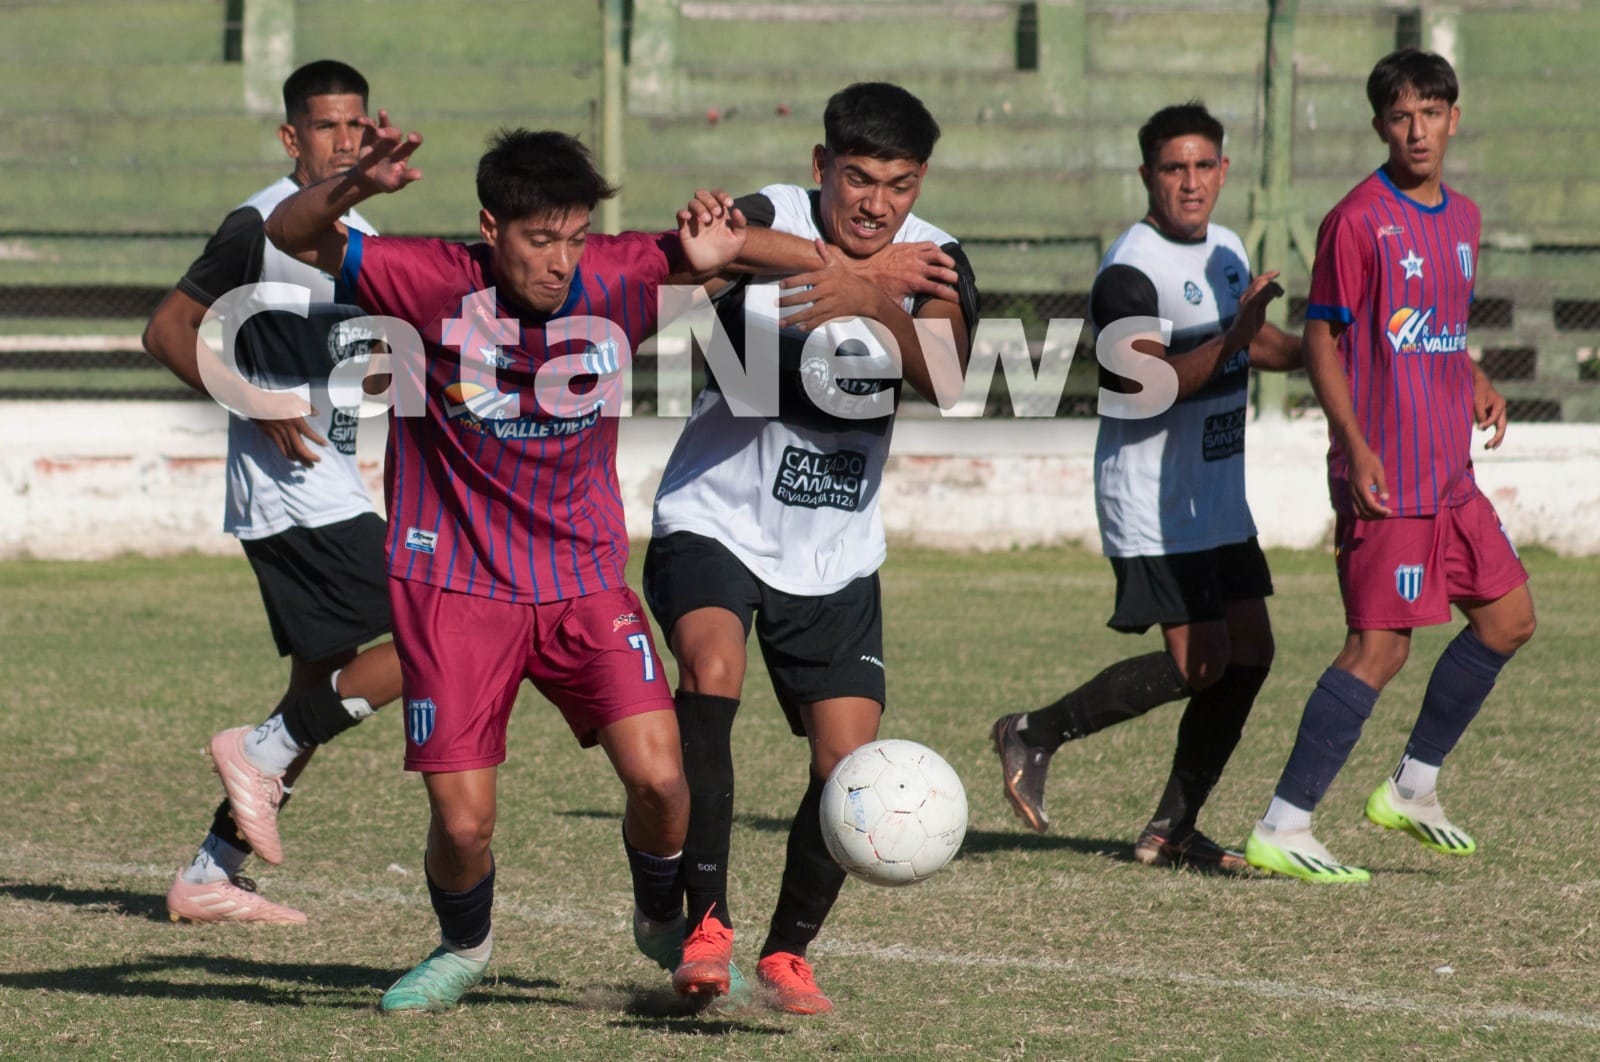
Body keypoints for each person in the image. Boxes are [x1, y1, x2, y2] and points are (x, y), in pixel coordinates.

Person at [264, 123, 750, 1010]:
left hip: (583, 580)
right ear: (491, 228)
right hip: (453, 585)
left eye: (573, 237)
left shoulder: (617, 272)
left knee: (663, 779)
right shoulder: (422, 279)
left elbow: (736, 248)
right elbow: (290, 234)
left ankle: (654, 913)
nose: (561, 261)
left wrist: (742, 244)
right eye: (539, 240)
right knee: (464, 820)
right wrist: (351, 189)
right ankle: (463, 944)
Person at [643, 81, 978, 1015]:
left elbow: (945, 377)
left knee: (847, 762)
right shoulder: (773, 210)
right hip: (712, 516)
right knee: (712, 669)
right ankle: (704, 927)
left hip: (835, 551)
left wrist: (870, 297)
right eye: (860, 178)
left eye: (901, 185)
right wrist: (853, 273)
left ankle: (788, 952)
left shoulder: (939, 257)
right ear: (821, 166)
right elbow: (715, 242)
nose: (878, 203)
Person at [1244, 49, 1533, 883]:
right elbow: (1324, 338)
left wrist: (1473, 375)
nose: (1417, 130)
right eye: (1401, 116)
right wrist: (1354, 441)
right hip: (1389, 474)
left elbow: (1435, 325)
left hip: (1450, 475)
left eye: (1431, 113)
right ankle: (1285, 823)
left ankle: (1413, 786)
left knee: (1508, 620)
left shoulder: (1465, 217)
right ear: (1380, 125)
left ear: (1454, 118)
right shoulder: (1357, 220)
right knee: (1379, 648)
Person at [990, 102, 1300, 872]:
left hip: (1217, 496)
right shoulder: (1130, 271)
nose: (1190, 183)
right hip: (1154, 500)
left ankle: (1175, 828)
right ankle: (1033, 731)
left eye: (1204, 166)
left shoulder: (1227, 248)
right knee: (1202, 663)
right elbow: (1146, 384)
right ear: (1147, 177)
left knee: (1251, 653)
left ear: (1224, 171)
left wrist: (1328, 346)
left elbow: (1259, 341)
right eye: (1173, 168)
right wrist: (1233, 336)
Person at [143, 59, 403, 925]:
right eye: (326, 126)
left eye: (355, 126)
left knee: (319, 691)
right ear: (292, 137)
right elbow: (166, 331)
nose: (344, 140)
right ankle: (256, 750)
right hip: (292, 495)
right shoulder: (255, 224)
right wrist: (253, 406)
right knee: (429, 625)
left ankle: (210, 870)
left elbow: (362, 377)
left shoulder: (358, 234)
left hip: (331, 487)